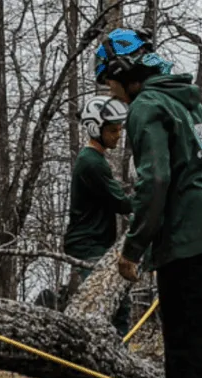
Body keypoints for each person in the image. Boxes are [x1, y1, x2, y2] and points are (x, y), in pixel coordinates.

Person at [94, 27, 202, 378]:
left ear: (124, 70)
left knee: (183, 345)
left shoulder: (147, 106)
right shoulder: (190, 104)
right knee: (195, 339)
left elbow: (154, 179)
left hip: (184, 236)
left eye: (109, 80)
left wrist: (134, 247)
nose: (110, 90)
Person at [63, 95, 132, 335]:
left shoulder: (95, 160)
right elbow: (120, 202)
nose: (118, 134)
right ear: (95, 128)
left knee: (114, 301)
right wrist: (150, 198)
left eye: (120, 129)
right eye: (113, 130)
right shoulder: (91, 162)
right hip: (88, 244)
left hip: (96, 243)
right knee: (111, 303)